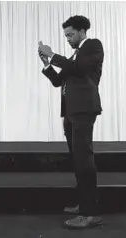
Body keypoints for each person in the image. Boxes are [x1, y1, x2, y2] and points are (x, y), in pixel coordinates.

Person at [38, 15, 104, 229]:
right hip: (71, 112)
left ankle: (90, 214)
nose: (67, 38)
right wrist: (48, 64)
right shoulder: (74, 56)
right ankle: (84, 204)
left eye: (70, 34)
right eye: (65, 35)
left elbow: (79, 69)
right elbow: (59, 81)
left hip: (84, 110)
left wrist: (53, 54)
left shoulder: (93, 46)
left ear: (82, 31)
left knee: (84, 160)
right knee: (78, 160)